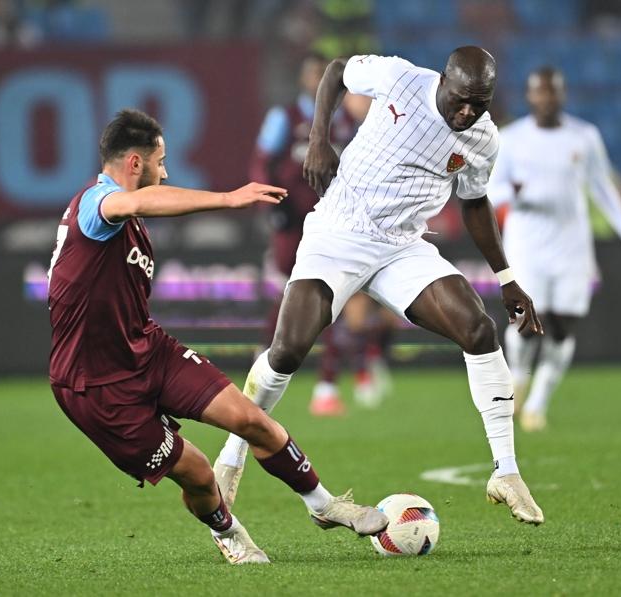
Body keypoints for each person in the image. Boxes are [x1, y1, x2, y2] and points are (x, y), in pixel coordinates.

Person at [215, 48, 546, 525]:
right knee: (286, 351)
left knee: (478, 328)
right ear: (443, 81)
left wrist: (507, 279)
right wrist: (319, 140)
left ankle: (507, 472)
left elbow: (475, 203)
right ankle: (233, 454)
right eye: (460, 99)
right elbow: (335, 71)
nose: (467, 111)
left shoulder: (483, 138)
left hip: (401, 248)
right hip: (339, 232)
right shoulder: (399, 78)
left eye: (480, 103)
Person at [47, 109, 387, 566]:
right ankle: (228, 533)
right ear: (134, 163)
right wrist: (228, 199)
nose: (165, 172)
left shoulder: (122, 215)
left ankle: (323, 505)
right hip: (96, 386)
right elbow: (130, 204)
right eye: (160, 162)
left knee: (250, 419)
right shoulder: (97, 204)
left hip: (147, 350)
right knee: (200, 475)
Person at [487, 67, 621, 432]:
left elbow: (601, 186)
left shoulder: (584, 137)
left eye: (552, 92)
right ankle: (519, 380)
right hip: (527, 246)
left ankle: (537, 404)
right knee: (525, 322)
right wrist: (515, 192)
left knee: (562, 326)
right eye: (539, 92)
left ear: (562, 95)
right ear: (530, 96)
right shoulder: (511, 139)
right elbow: (492, 191)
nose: (546, 98)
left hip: (572, 246)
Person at [251, 53, 393, 415]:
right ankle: (263, 361)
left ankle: (328, 386)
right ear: (303, 79)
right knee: (292, 297)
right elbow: (262, 163)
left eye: (323, 75)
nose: (318, 82)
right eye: (313, 74)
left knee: (335, 301)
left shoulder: (347, 122)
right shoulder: (284, 117)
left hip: (334, 222)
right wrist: (271, 208)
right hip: (292, 222)